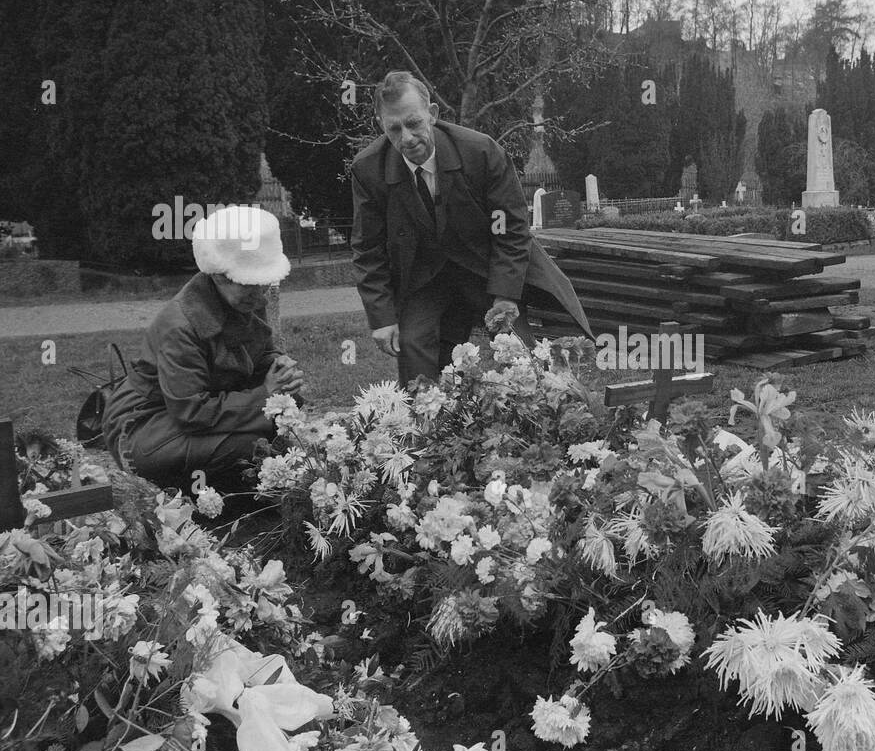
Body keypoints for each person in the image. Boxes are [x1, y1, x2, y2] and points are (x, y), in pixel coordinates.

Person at [350, 70, 592, 385]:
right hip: (423, 278)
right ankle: (427, 423)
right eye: (393, 129)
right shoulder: (368, 169)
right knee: (413, 345)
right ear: (381, 126)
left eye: (413, 123)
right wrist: (381, 318)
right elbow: (367, 248)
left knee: (516, 348)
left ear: (432, 115)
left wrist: (505, 294)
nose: (406, 138)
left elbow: (512, 228)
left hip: (485, 267)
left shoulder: (481, 152)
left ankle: (540, 411)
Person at [104, 206, 302, 495]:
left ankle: (241, 492)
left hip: (193, 411)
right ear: (219, 276)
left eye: (265, 282)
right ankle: (212, 503)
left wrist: (279, 370)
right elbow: (191, 411)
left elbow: (259, 355)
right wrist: (265, 396)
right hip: (145, 424)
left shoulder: (246, 296)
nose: (260, 294)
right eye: (250, 284)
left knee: (280, 418)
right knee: (247, 446)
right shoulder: (180, 325)